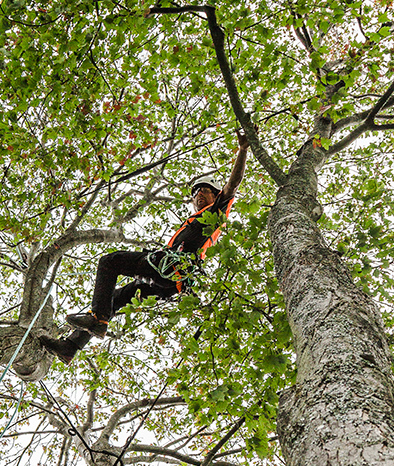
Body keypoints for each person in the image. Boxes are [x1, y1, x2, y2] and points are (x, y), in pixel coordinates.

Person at [40, 133, 251, 363]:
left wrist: (243, 149)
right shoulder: (188, 224)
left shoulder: (215, 214)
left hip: (172, 269)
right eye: (195, 193)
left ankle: (98, 318)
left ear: (215, 195)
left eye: (205, 190)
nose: (198, 194)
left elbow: (233, 185)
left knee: (109, 262)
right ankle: (71, 347)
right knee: (117, 298)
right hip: (167, 281)